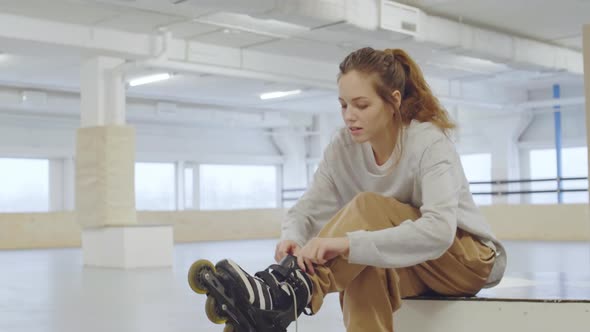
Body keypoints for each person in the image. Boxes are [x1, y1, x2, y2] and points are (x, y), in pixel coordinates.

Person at [188, 47, 507, 332]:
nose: (349, 115)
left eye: (361, 104)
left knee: (367, 211)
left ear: (393, 100)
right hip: (413, 262)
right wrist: (293, 238)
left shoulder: (427, 143)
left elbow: (438, 231)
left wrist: (345, 243)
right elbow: (307, 210)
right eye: (343, 105)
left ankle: (290, 291)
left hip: (464, 260)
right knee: (363, 267)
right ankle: (285, 289)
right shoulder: (343, 147)